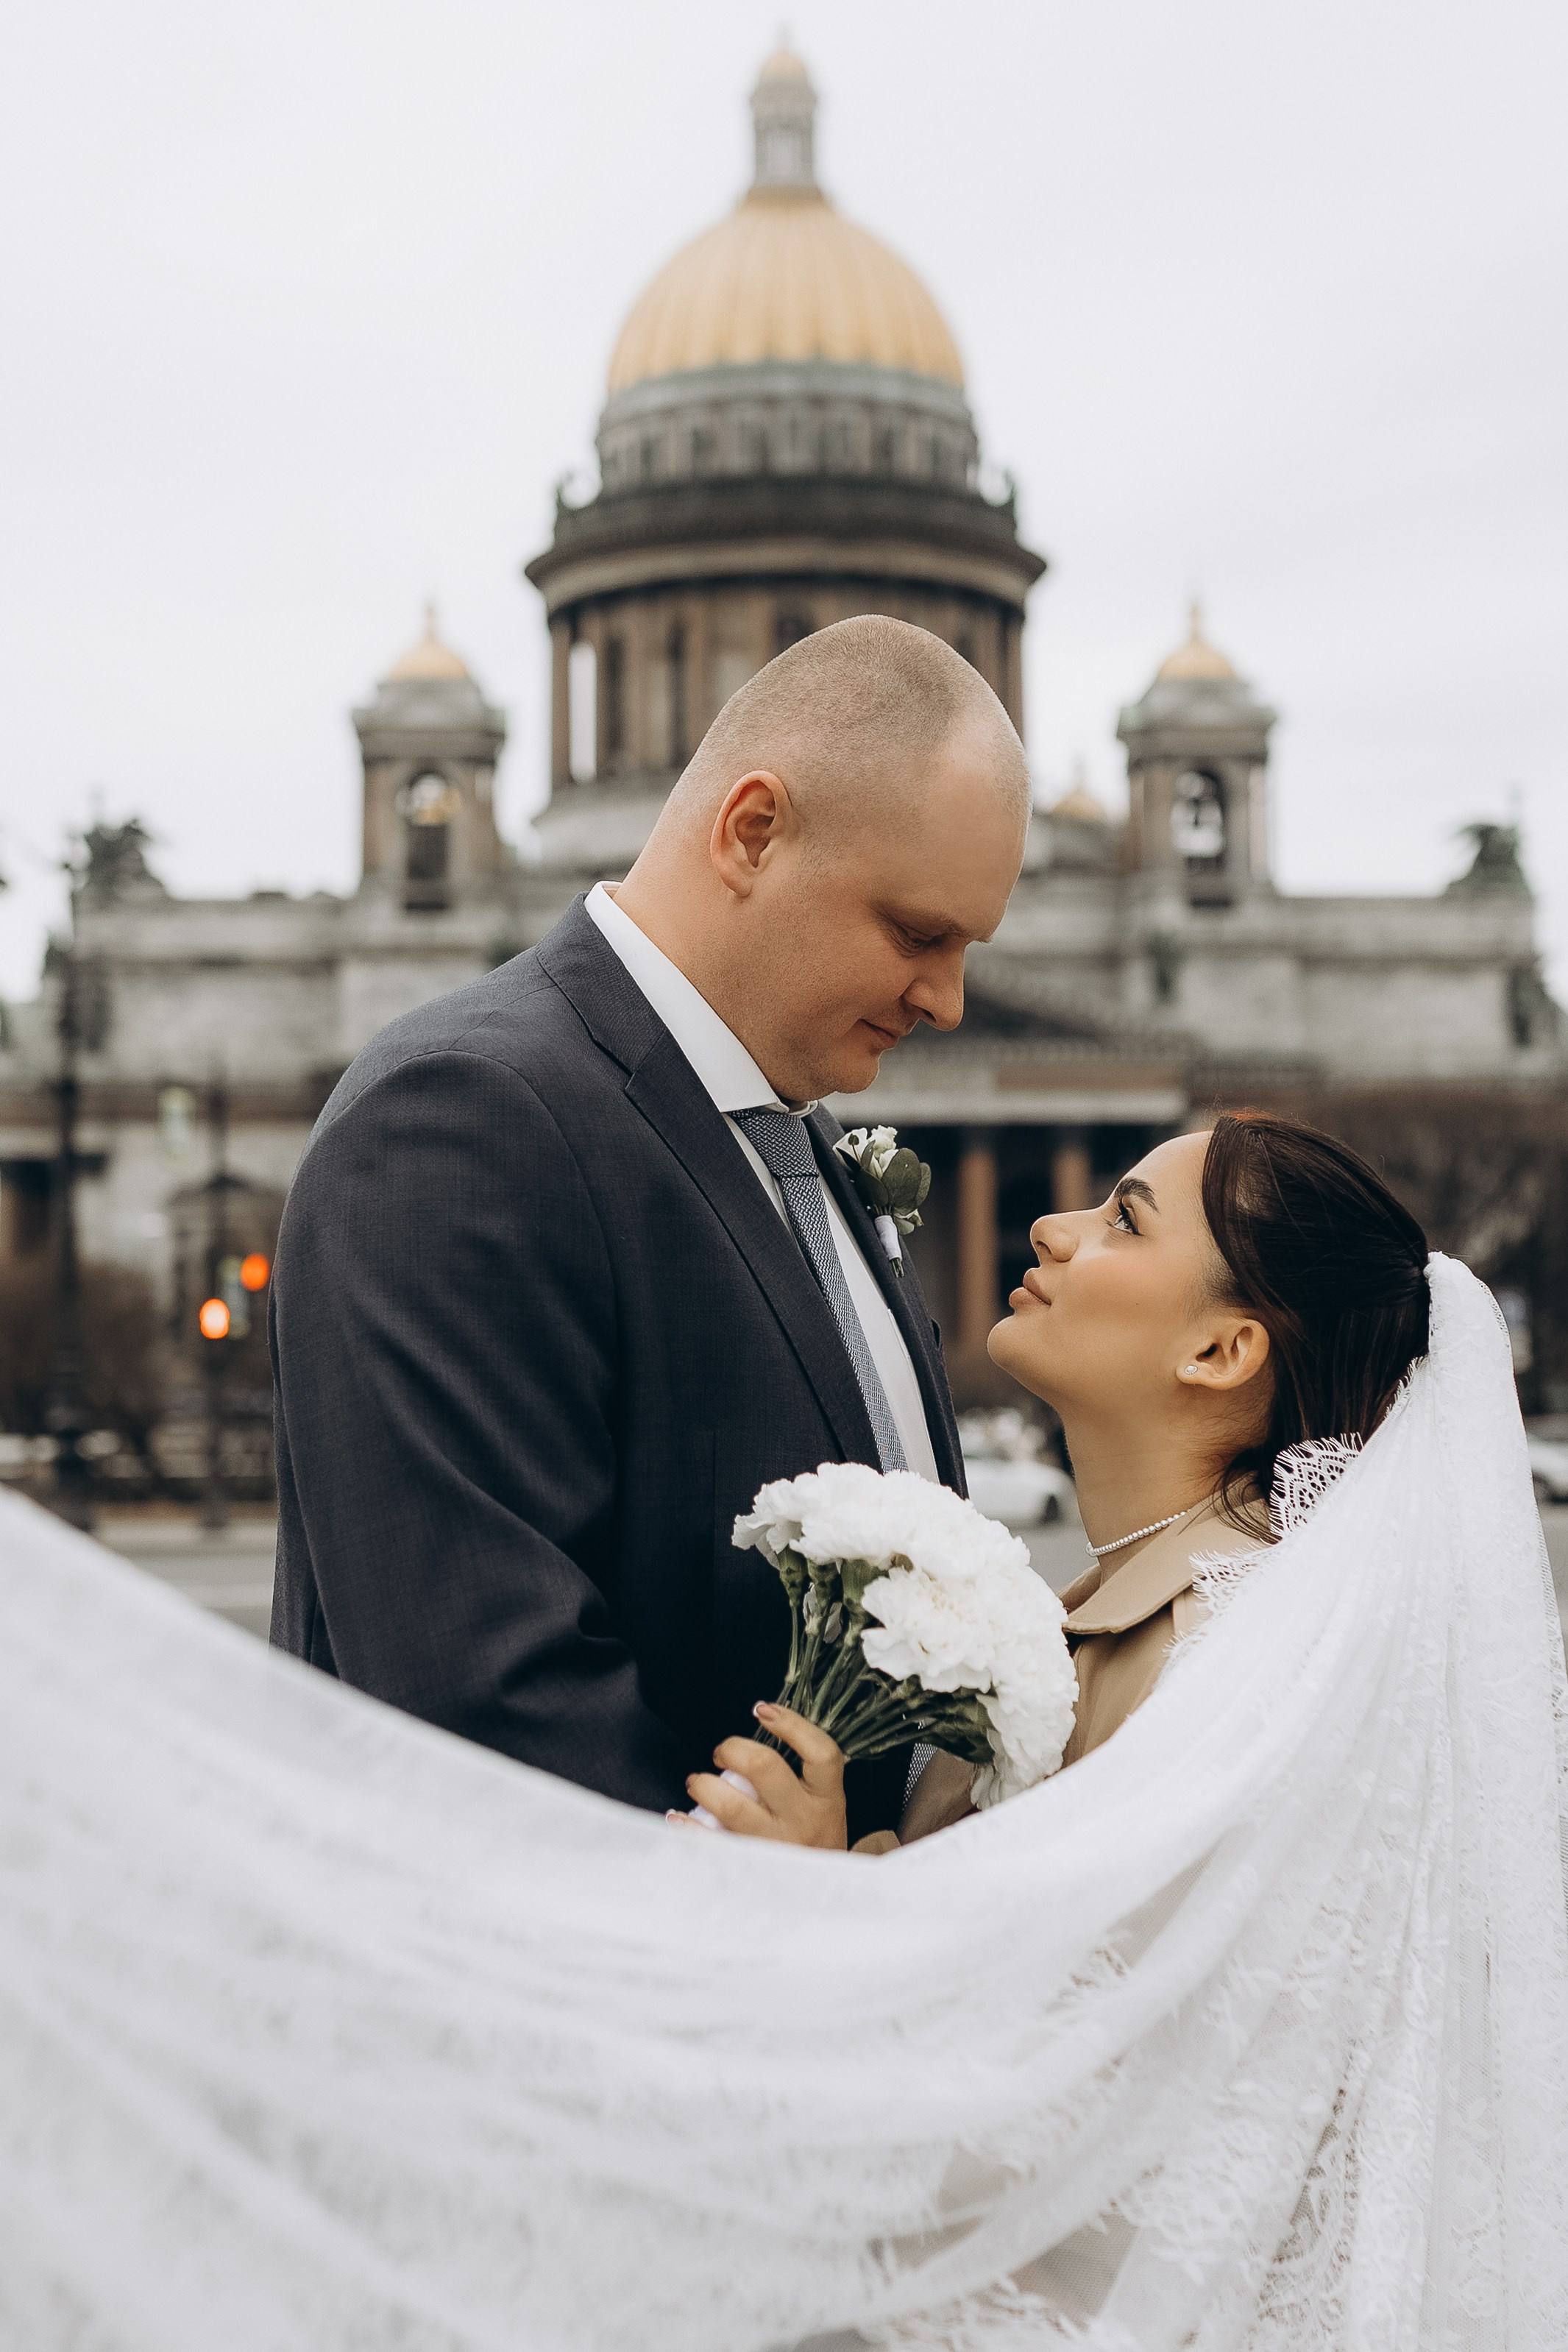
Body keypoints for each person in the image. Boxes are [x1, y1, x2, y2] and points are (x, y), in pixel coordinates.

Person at [267, 615, 1029, 1843]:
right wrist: (792, 1911)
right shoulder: (458, 1122)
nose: (946, 999)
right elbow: (486, 1719)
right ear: (751, 833)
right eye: (917, 932)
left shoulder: (811, 1144)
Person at [683, 1111, 1433, 1847]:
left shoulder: (1215, 1668)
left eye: (1125, 1221)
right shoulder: (1126, 1609)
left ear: (1217, 1351)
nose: (1050, 1225)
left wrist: (823, 1884)